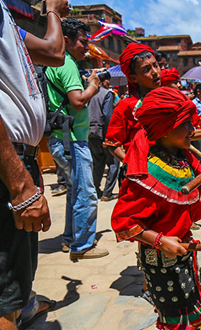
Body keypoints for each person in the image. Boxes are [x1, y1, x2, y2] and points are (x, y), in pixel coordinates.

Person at [111, 87, 201, 330]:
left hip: (184, 250)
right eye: (185, 123)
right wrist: (159, 241)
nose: (193, 129)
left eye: (191, 121)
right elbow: (124, 224)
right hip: (162, 257)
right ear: (165, 129)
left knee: (191, 308)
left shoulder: (183, 157)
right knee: (177, 317)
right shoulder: (147, 172)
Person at [0, 0, 70, 328]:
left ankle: (24, 308)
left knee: (15, 286)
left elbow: (54, 52)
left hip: (18, 159)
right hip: (8, 162)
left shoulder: (6, 19)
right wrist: (19, 182)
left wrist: (53, 10)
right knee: (5, 299)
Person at [45, 18, 108, 260]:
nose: (86, 46)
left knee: (75, 192)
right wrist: (93, 85)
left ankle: (70, 239)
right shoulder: (67, 64)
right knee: (86, 193)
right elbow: (78, 100)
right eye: (83, 41)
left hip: (63, 138)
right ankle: (82, 246)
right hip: (71, 140)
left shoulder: (56, 63)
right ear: (67, 40)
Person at [104, 43, 161, 163]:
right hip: (141, 173)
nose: (155, 72)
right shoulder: (126, 106)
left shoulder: (170, 99)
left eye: (156, 65)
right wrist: (132, 166)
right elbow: (112, 144)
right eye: (146, 70)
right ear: (133, 78)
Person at [88, 79, 120, 201]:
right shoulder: (107, 93)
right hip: (103, 132)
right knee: (113, 163)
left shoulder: (88, 93)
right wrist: (109, 137)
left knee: (97, 164)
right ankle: (107, 193)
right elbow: (107, 116)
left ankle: (95, 190)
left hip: (91, 133)